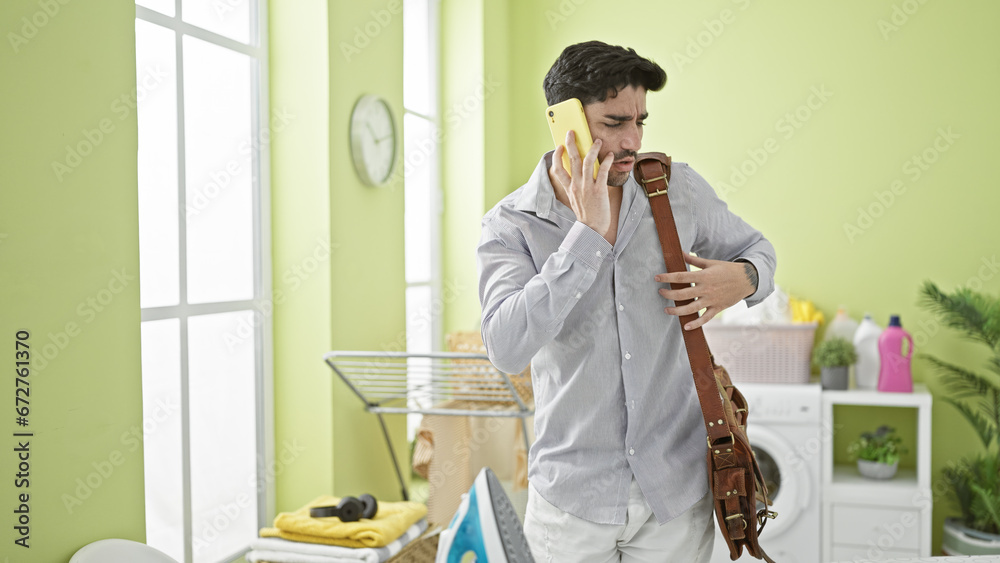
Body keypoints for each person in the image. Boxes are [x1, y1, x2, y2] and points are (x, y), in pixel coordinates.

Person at [476, 40, 777, 561]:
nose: (633, 139)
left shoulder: (676, 189)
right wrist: (586, 237)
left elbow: (759, 251)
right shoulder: (512, 224)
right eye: (614, 123)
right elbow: (505, 346)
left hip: (676, 494)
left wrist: (745, 278)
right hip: (571, 502)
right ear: (563, 120)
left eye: (640, 121)